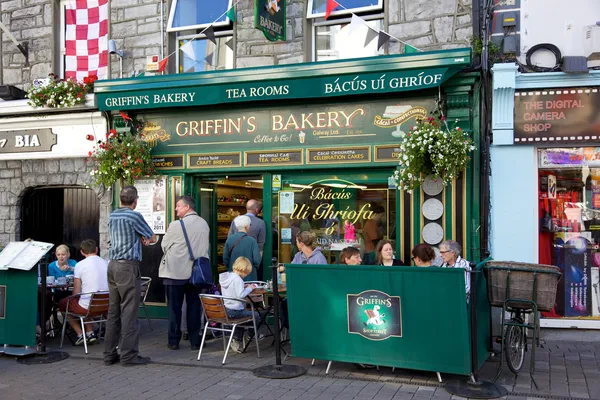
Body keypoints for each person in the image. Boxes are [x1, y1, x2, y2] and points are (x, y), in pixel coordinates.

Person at [103, 186, 157, 367]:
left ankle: (109, 355)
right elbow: (152, 237)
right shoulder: (134, 215)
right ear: (135, 200)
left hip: (112, 265)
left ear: (121, 199)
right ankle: (128, 356)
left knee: (113, 312)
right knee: (130, 312)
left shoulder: (113, 215)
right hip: (127, 267)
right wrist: (148, 240)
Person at [160, 195, 209, 351]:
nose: (176, 209)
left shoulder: (176, 225)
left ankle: (174, 341)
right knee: (194, 308)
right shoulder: (204, 224)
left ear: (187, 207)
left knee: (174, 308)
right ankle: (195, 341)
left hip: (175, 272)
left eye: (178, 206)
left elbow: (164, 245)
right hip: (197, 274)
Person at [58, 239, 108, 345]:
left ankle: (80, 334)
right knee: (85, 300)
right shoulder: (106, 263)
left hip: (87, 307)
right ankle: (90, 333)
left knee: (64, 304)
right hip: (106, 306)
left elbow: (76, 292)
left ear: (82, 252)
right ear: (97, 249)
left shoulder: (80, 265)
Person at [219, 257, 259, 353]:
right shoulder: (238, 280)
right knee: (255, 315)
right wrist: (249, 288)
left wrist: (243, 286)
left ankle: (236, 339)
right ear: (244, 271)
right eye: (247, 273)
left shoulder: (229, 277)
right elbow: (241, 295)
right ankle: (251, 335)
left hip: (226, 309)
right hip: (235, 310)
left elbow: (233, 289)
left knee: (243, 319)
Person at [224, 215, 261, 281]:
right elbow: (256, 260)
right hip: (249, 275)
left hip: (233, 275)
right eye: (250, 225)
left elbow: (225, 259)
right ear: (246, 227)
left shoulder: (229, 240)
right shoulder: (252, 241)